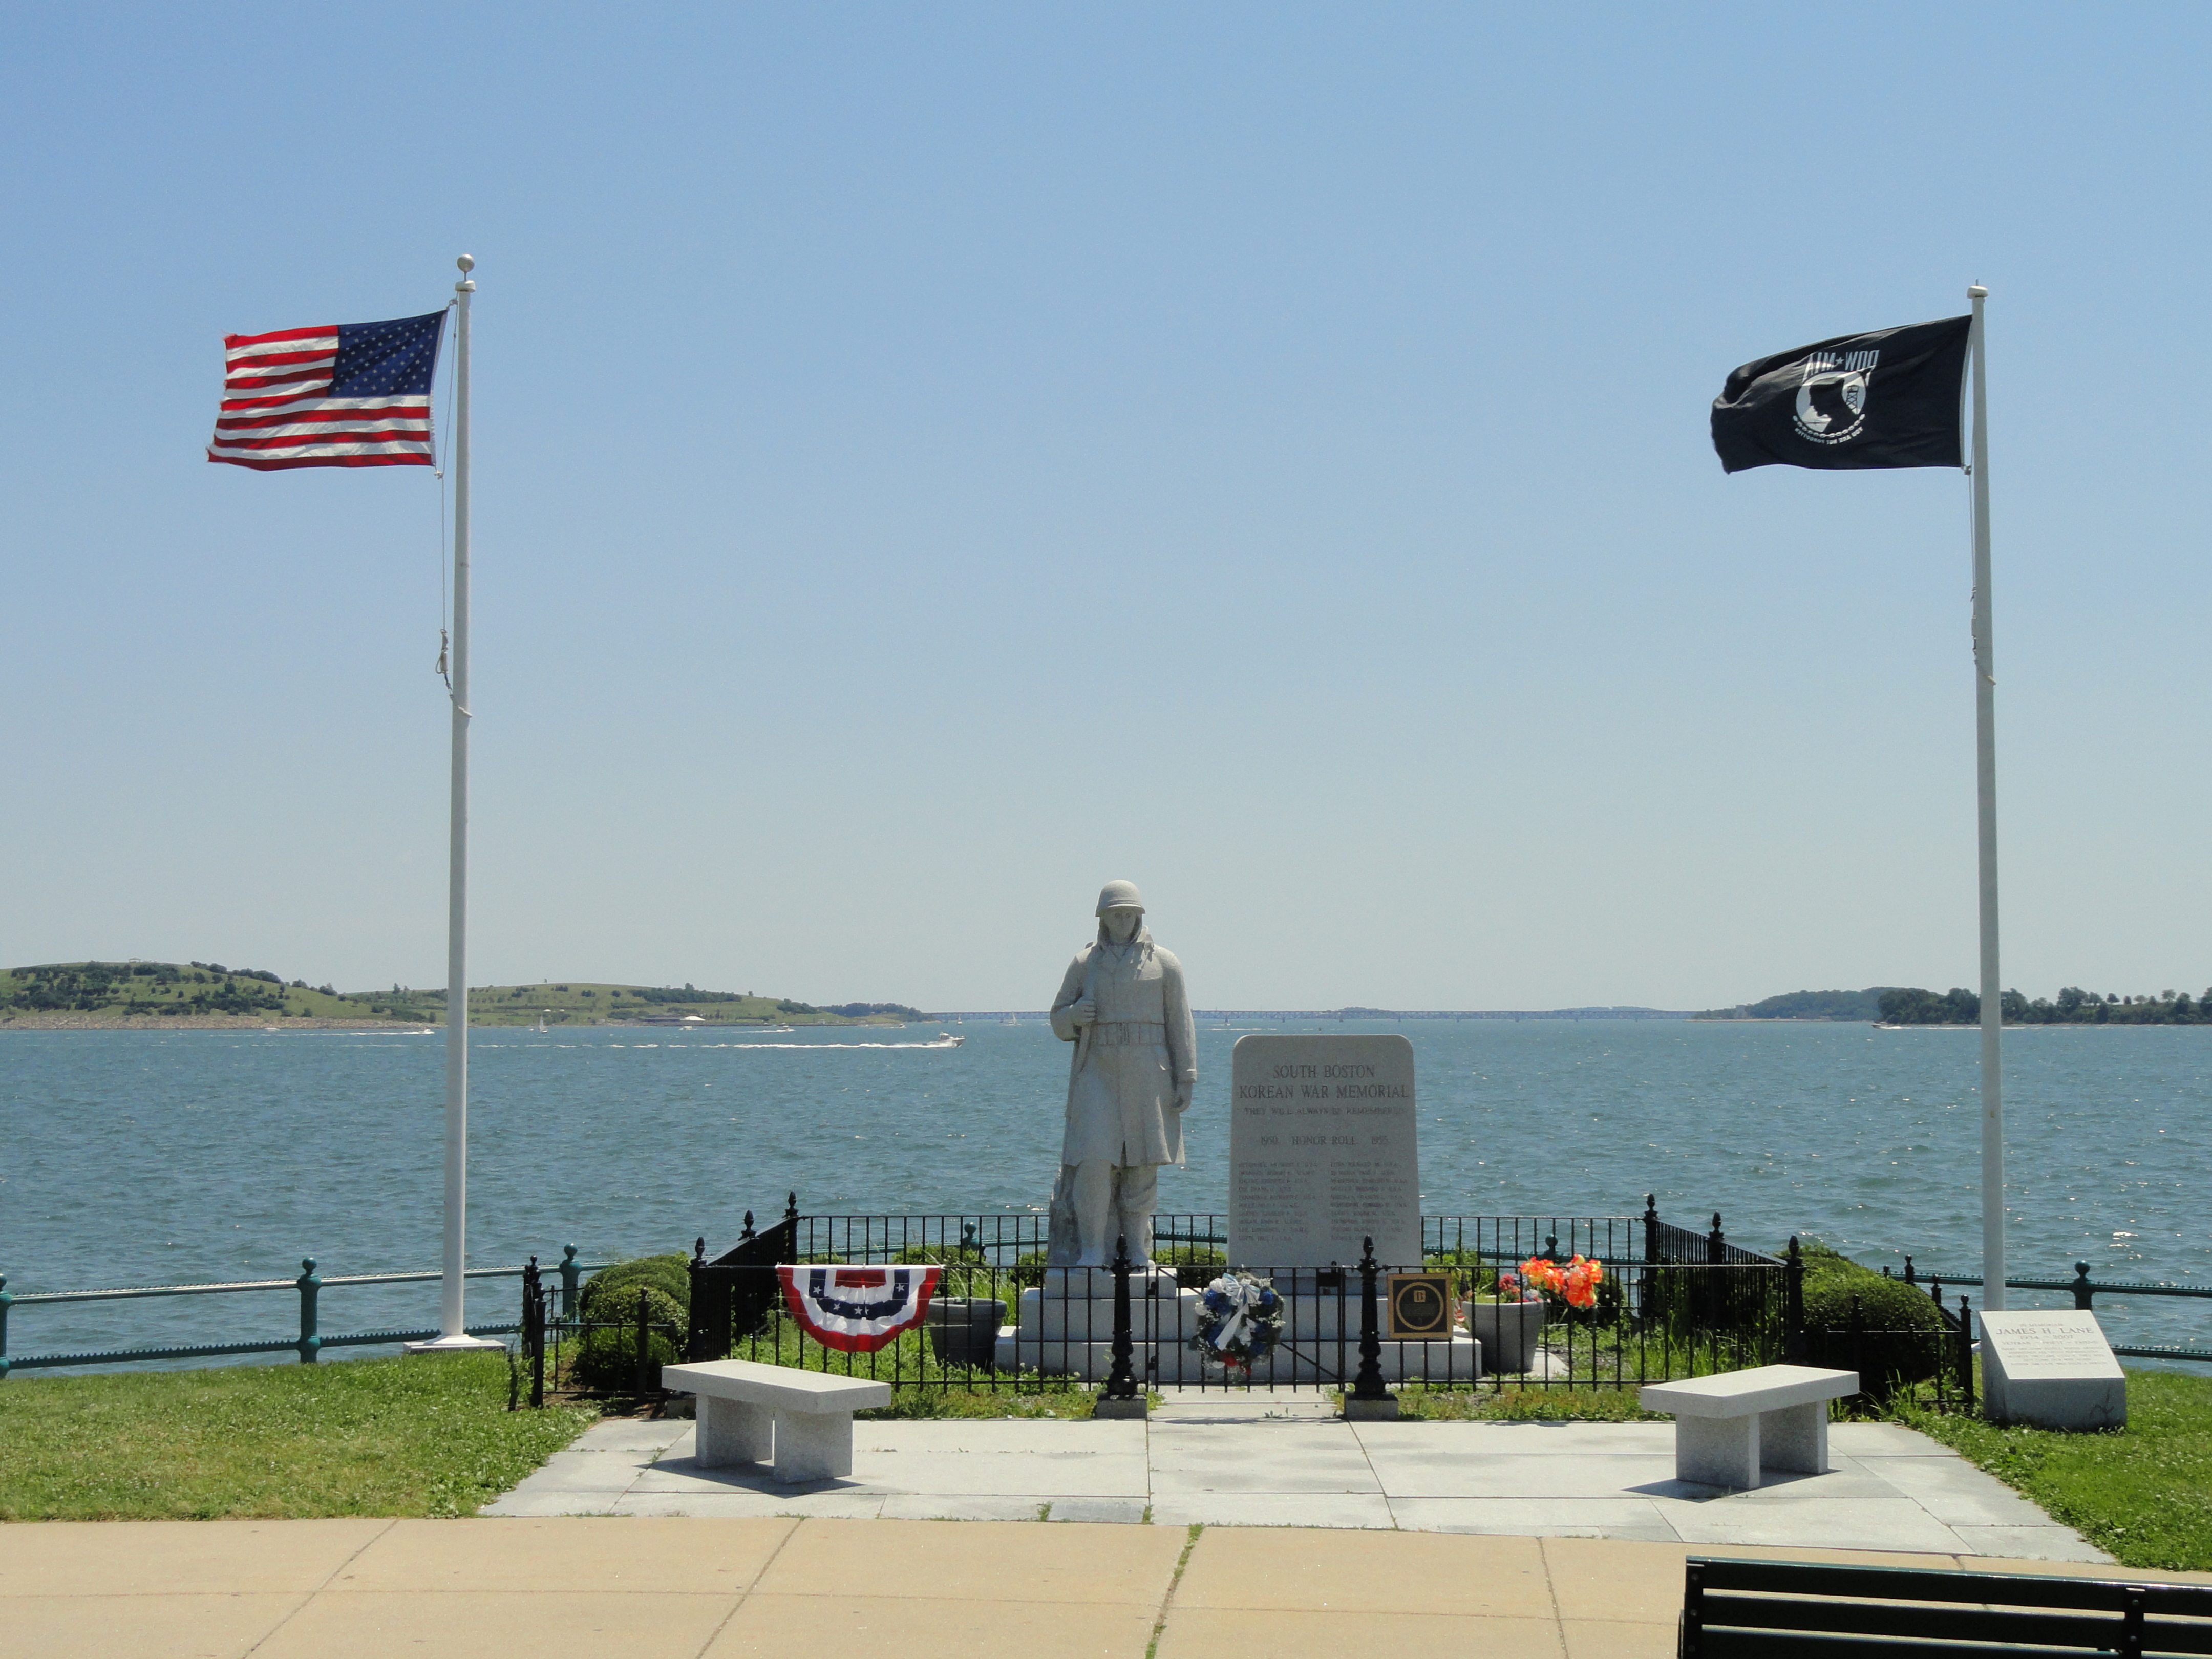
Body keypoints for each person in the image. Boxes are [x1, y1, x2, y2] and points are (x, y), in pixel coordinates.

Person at [1046, 881, 1197, 1266]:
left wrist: (1186, 1076)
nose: (1123, 919)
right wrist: (1074, 1017)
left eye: (1129, 913)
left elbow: (1180, 1021)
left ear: (1140, 916)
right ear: (1102, 918)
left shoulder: (1165, 963)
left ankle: (1137, 1250)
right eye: (1115, 913)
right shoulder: (1084, 964)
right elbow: (1058, 1018)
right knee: (1093, 1163)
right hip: (1097, 1072)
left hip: (1150, 1076)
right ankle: (1093, 1248)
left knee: (1142, 1167)